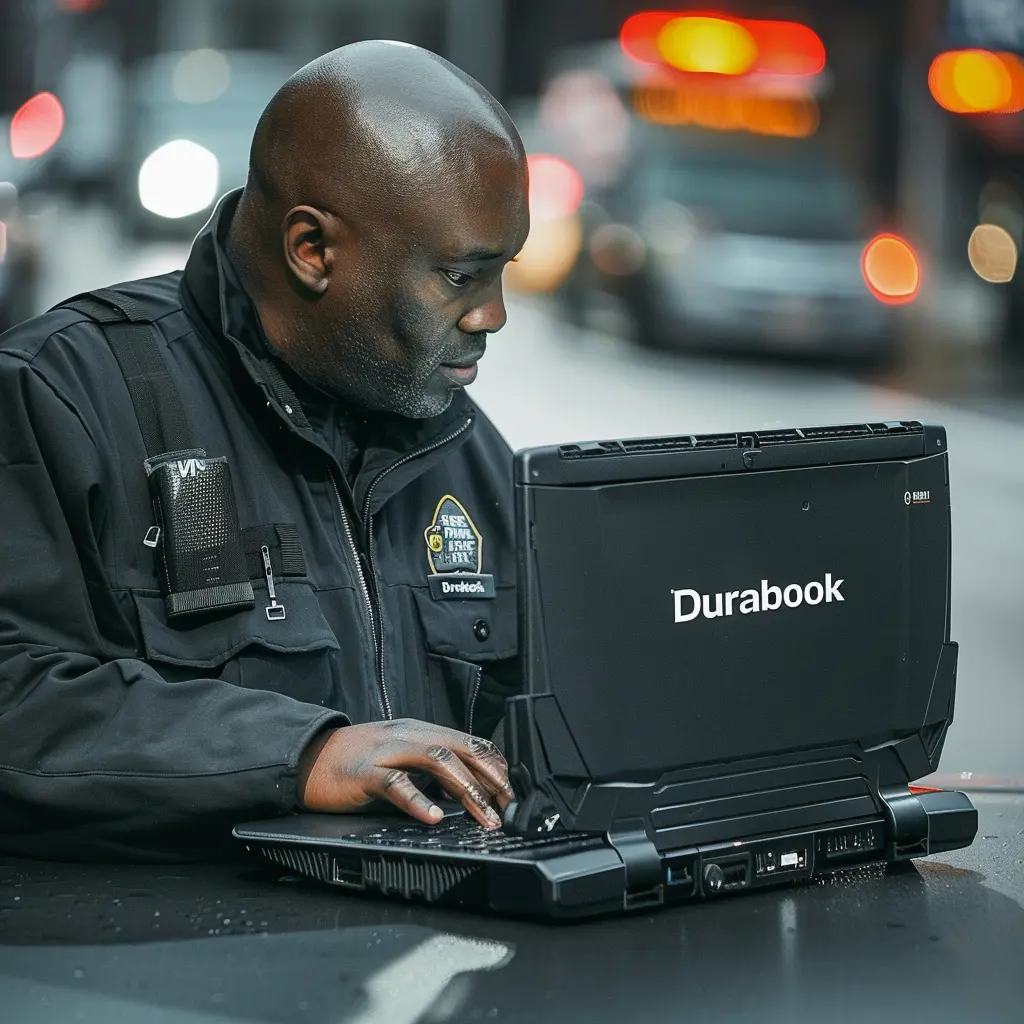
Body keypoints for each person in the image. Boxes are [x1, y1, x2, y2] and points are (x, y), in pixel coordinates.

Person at [0, 42, 530, 861]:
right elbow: (16, 695)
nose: (491, 315)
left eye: (503, 273)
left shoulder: (455, 443)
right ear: (312, 250)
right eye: (461, 276)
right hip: (152, 970)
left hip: (424, 960)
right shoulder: (65, 395)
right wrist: (303, 754)